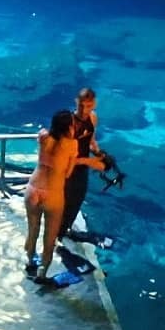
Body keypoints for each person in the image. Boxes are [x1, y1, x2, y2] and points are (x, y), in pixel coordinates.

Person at [24, 109, 90, 282]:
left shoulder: (43, 136)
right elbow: (68, 173)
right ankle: (42, 273)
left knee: (33, 229)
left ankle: (30, 260)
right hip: (53, 193)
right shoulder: (72, 144)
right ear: (69, 126)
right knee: (49, 237)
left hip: (33, 188)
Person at [60, 86, 110, 240]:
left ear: (94, 104)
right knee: (64, 201)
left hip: (81, 168)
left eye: (88, 106)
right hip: (67, 167)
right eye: (81, 105)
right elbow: (66, 155)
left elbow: (91, 140)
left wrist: (98, 152)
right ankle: (56, 233)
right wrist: (91, 161)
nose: (84, 110)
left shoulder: (93, 118)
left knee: (77, 199)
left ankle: (64, 230)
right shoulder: (70, 123)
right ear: (76, 102)